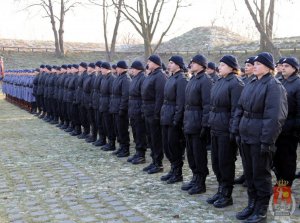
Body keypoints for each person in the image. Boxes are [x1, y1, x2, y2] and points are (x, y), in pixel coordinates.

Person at [233, 52, 287, 222]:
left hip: (260, 137)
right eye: (253, 63)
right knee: (249, 173)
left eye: (258, 63)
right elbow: (240, 108)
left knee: (261, 174)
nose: (254, 66)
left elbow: (275, 117)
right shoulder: (251, 83)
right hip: (246, 135)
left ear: (268, 67)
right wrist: (236, 129)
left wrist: (267, 141)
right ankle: (252, 203)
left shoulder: (274, 86)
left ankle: (261, 209)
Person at [207, 55, 244, 208]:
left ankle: (227, 193)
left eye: (222, 65)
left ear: (231, 67)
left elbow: (237, 109)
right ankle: (220, 189)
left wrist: (233, 130)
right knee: (216, 162)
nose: (219, 67)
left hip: (226, 129)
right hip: (216, 127)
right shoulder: (219, 81)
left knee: (225, 162)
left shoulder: (236, 84)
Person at [181, 54, 212, 194]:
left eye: (193, 63)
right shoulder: (193, 78)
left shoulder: (205, 80)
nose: (190, 65)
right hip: (189, 119)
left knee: (199, 154)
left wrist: (205, 125)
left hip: (198, 120)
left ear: (201, 65)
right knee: (191, 153)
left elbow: (207, 105)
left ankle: (201, 182)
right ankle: (195, 177)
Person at [273, 57, 300, 187]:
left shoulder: (298, 84)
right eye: (282, 65)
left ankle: (284, 188)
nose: (283, 68)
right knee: (277, 159)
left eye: (287, 66)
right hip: (277, 128)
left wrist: (294, 129)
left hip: (289, 130)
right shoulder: (280, 81)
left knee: (287, 160)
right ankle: (280, 182)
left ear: (294, 68)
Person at [141, 54, 166, 174]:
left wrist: (157, 114)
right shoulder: (151, 75)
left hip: (154, 111)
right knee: (150, 138)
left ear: (156, 63)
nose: (147, 64)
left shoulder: (160, 76)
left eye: (149, 61)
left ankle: (158, 163)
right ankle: (154, 161)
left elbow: (160, 97)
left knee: (156, 139)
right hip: (147, 110)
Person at [234, 56, 256, 186]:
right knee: (245, 155)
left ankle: (252, 178)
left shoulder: (258, 81)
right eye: (246, 65)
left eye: (249, 65)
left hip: (254, 123)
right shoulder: (244, 81)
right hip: (244, 121)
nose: (246, 67)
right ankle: (246, 174)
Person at [110, 61, 131, 157]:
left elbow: (125, 96)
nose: (116, 69)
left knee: (122, 129)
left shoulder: (125, 79)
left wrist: (122, 109)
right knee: (117, 129)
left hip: (120, 109)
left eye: (118, 67)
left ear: (122, 68)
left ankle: (125, 149)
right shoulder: (119, 77)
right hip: (115, 107)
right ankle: (121, 147)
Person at [127, 61, 147, 164]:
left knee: (140, 133)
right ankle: (137, 152)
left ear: (138, 69)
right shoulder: (134, 78)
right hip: (133, 108)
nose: (131, 70)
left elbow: (144, 96)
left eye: (133, 68)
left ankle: (141, 155)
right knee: (135, 132)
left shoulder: (142, 78)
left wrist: (141, 110)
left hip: (138, 109)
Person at [100, 62, 117, 151]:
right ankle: (108, 141)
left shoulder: (112, 79)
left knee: (110, 125)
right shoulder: (104, 78)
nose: (101, 70)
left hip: (108, 105)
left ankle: (112, 143)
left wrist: (110, 106)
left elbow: (112, 94)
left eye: (103, 68)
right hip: (103, 104)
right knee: (105, 124)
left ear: (107, 69)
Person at [92, 61, 107, 147]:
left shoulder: (102, 77)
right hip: (97, 101)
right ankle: (101, 138)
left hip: (100, 102)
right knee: (98, 121)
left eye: (98, 67)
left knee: (101, 122)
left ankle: (103, 139)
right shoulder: (98, 76)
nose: (98, 68)